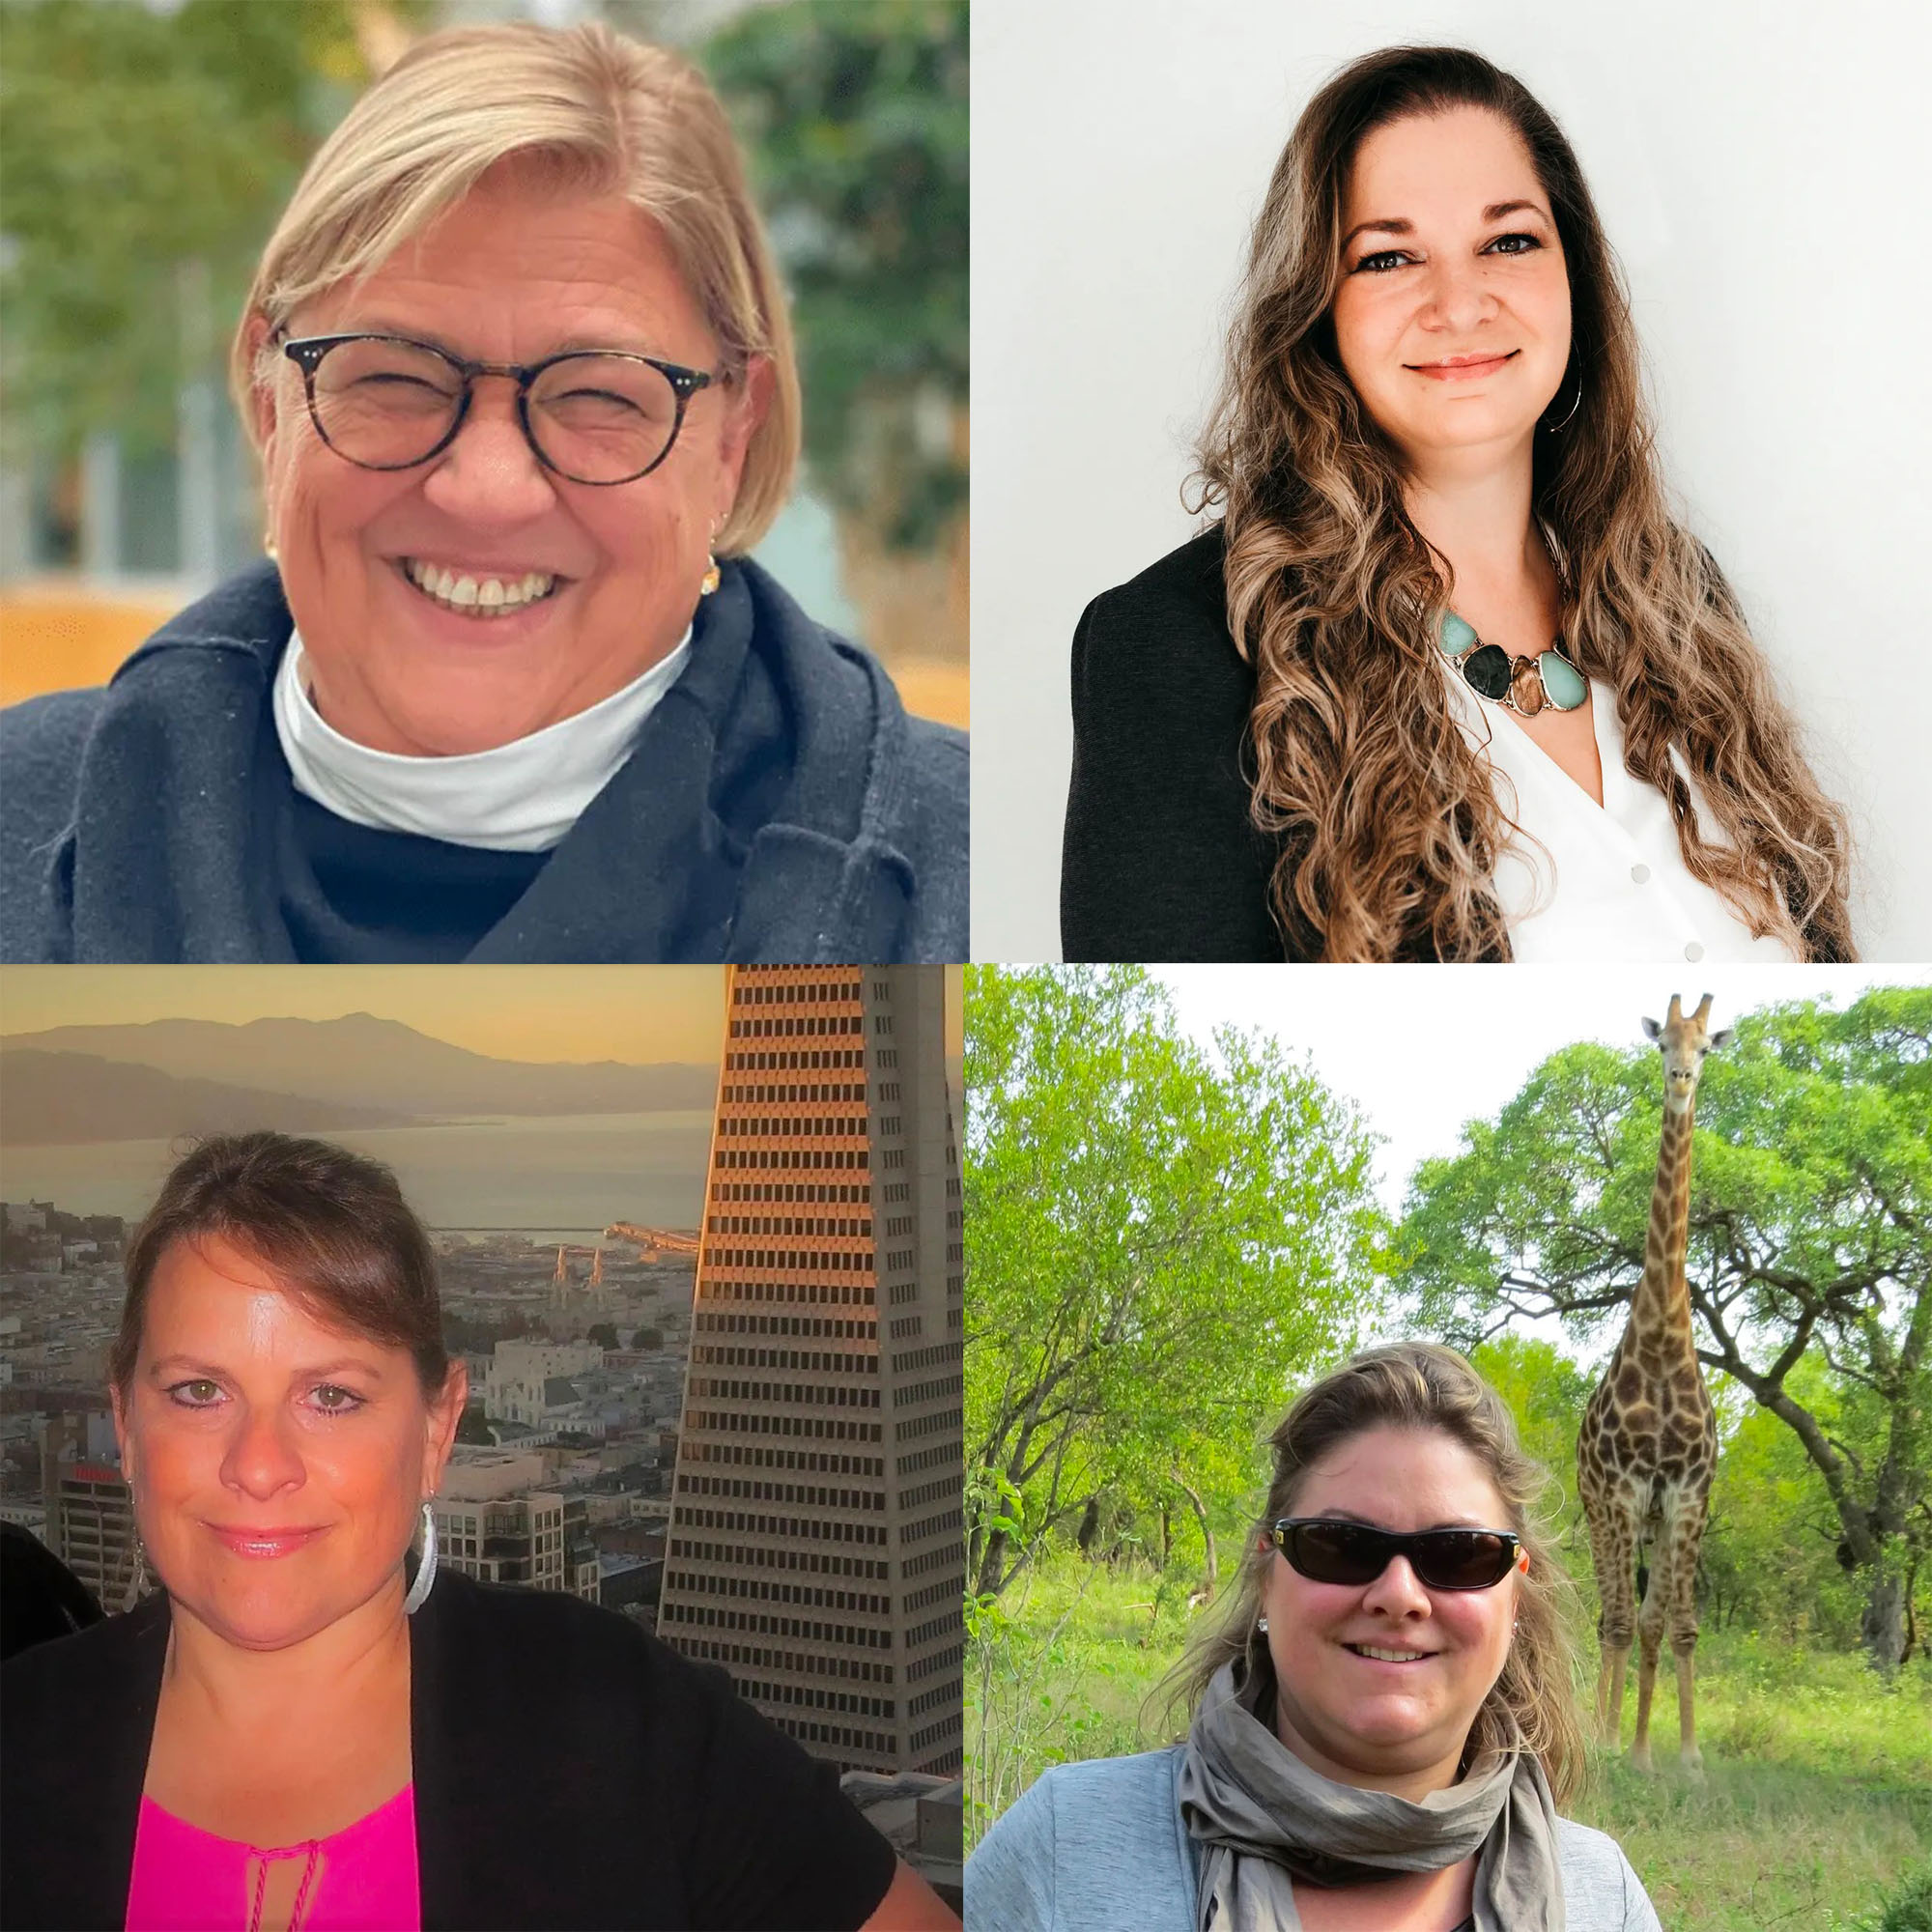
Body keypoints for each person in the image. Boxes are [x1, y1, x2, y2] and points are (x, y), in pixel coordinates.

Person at [0, 21, 966, 965]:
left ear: (731, 438)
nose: (487, 491)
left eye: (598, 395)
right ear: (269, 401)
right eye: (393, 377)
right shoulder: (18, 813)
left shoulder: (984, 881)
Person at [1, 1132, 958, 1931]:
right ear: (125, 1420)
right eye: (198, 1391)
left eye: (331, 1396)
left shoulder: (624, 1729)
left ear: (436, 1429)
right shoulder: (19, 1744)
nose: (258, 1464)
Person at [1060, 44, 1853, 965]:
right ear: (1316, 312)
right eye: (1389, 257)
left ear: (1573, 277)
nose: (1460, 302)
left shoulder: (1676, 591)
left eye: (1508, 241)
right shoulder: (1180, 646)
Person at [966, 1342, 1664, 1932]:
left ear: (1514, 1598)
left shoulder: (1603, 1899)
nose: (1399, 1595)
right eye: (1340, 1545)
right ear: (1267, 1577)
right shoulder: (1063, 1850)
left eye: (1459, 1554)